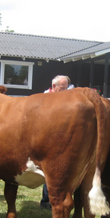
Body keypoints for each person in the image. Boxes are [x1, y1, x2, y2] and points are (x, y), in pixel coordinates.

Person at [40, 75, 71, 209]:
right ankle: (46, 200)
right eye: (62, 88)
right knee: (49, 170)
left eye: (66, 88)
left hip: (63, 139)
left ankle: (62, 197)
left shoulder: (66, 99)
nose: (65, 91)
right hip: (48, 139)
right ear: (54, 87)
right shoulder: (44, 98)